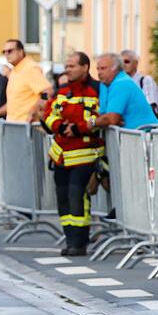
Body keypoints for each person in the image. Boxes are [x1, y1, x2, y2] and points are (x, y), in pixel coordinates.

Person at [45, 52, 103, 256]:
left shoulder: (96, 90)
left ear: (85, 67)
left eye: (71, 66)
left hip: (85, 155)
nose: (67, 69)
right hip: (60, 155)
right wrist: (60, 127)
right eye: (66, 66)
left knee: (77, 198)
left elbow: (101, 117)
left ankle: (79, 243)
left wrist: (78, 128)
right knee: (63, 199)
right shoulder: (63, 91)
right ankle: (69, 239)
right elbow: (49, 114)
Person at [0, 39, 51, 122]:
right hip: (15, 125)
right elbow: (15, 102)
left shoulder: (30, 68)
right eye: (4, 52)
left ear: (21, 52)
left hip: (28, 127)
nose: (6, 54)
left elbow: (47, 92)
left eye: (10, 51)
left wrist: (34, 112)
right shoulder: (15, 70)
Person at [94, 53, 158, 130]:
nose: (99, 72)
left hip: (146, 136)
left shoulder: (121, 83)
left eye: (103, 68)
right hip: (130, 137)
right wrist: (106, 119)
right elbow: (104, 115)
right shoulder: (104, 84)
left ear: (115, 69)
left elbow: (111, 119)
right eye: (98, 69)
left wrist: (93, 122)